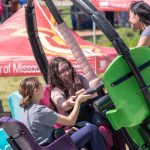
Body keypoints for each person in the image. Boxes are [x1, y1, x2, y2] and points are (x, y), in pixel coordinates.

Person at [18, 77, 106, 150]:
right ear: (36, 90)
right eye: (41, 85)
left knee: (78, 128)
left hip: (45, 146)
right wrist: (78, 101)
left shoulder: (24, 111)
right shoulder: (40, 111)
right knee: (91, 129)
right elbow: (70, 121)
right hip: (54, 147)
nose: (43, 88)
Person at [49, 56, 103, 126]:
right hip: (74, 122)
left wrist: (88, 91)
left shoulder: (79, 77)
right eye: (62, 71)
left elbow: (91, 91)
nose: (67, 73)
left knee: (102, 117)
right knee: (90, 126)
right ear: (56, 75)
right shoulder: (56, 91)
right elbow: (65, 105)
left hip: (90, 112)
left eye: (67, 68)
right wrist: (75, 99)